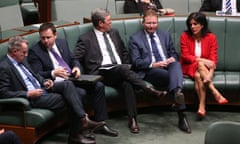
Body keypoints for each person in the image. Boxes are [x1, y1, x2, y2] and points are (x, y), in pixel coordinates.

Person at [74, 8, 167, 134]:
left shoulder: (114, 33)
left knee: (127, 83)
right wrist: (76, 68)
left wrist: (128, 64)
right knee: (123, 70)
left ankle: (132, 119)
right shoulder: (85, 38)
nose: (111, 22)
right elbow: (76, 58)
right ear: (101, 23)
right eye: (109, 20)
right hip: (101, 72)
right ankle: (148, 90)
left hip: (119, 71)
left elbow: (123, 52)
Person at [0, 36, 105, 144]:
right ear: (14, 51)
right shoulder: (4, 67)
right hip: (34, 97)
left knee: (68, 84)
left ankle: (82, 121)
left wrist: (45, 81)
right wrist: (27, 93)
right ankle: (76, 133)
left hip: (43, 88)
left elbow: (35, 75)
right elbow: (3, 92)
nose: (26, 55)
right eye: (24, 52)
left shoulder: (22, 59)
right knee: (72, 98)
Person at [27, 23, 118, 137]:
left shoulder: (62, 43)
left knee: (98, 86)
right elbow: (37, 74)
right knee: (80, 93)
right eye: (43, 38)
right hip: (56, 84)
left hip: (72, 78)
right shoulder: (35, 51)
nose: (45, 41)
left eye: (48, 37)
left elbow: (73, 59)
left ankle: (100, 124)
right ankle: (81, 128)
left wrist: (76, 67)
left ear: (55, 35)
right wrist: (53, 73)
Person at [128, 9, 191, 133]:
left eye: (154, 23)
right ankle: (182, 114)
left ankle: (177, 93)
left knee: (176, 64)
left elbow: (173, 52)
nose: (152, 26)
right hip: (150, 70)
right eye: (149, 23)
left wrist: (172, 58)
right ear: (143, 23)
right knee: (171, 76)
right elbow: (136, 62)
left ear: (158, 22)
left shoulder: (165, 35)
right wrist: (154, 64)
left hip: (168, 65)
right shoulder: (135, 39)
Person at [180, 12, 228, 120]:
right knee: (200, 64)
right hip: (188, 66)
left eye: (195, 24)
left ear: (202, 25)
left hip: (205, 71)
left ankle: (201, 107)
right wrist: (202, 60)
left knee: (198, 76)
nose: (192, 26)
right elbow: (186, 56)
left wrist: (209, 75)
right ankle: (214, 91)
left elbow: (213, 60)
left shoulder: (211, 37)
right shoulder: (185, 36)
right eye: (190, 24)